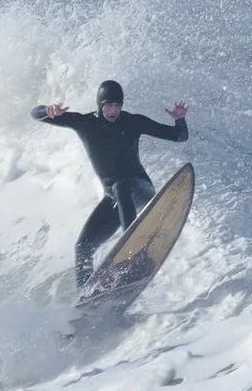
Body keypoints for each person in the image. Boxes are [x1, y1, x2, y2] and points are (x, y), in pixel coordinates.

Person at [33, 81, 190, 286]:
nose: (113, 111)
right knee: (83, 247)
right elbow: (35, 114)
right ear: (100, 105)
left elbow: (179, 137)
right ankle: (87, 293)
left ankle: (134, 255)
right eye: (108, 106)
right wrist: (48, 110)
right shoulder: (85, 123)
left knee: (121, 186)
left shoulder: (133, 122)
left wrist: (180, 120)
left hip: (139, 189)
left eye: (117, 105)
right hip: (115, 198)